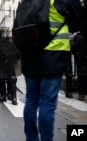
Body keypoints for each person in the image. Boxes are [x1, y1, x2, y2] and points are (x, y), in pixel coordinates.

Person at [18, 0, 82, 141]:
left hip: (29, 58)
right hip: (53, 56)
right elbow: (79, 18)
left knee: (31, 101)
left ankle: (31, 138)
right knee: (47, 105)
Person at [0, 26, 20, 105]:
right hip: (0, 64)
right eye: (4, 32)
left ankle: (13, 97)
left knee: (12, 79)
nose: (6, 33)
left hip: (10, 64)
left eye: (7, 31)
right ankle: (3, 96)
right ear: (0, 33)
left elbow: (17, 52)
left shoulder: (11, 41)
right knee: (1, 79)